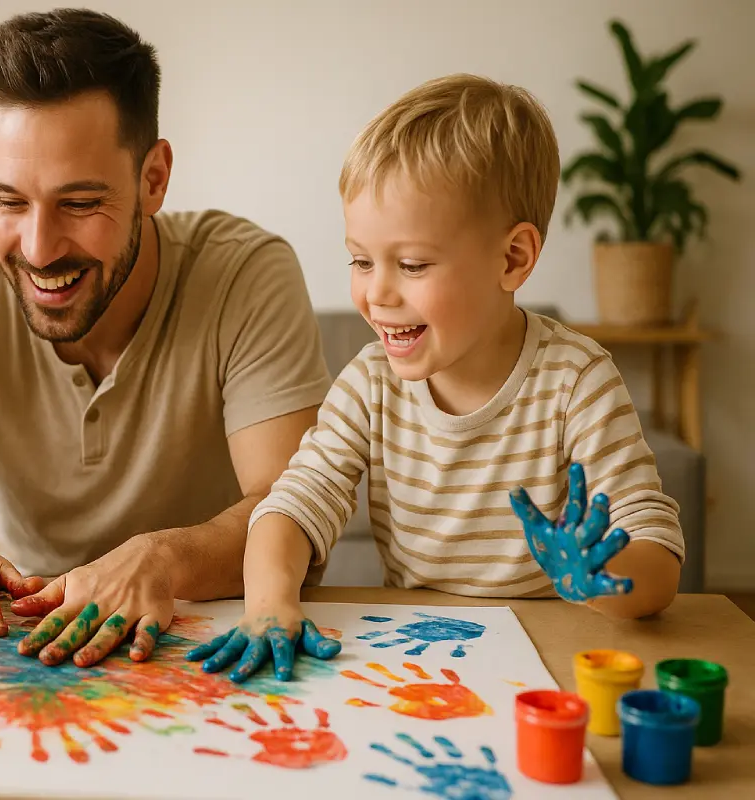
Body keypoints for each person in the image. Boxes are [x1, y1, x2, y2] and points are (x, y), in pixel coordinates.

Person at [0, 8, 336, 667]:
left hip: (205, 640)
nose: (39, 249)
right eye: (9, 202)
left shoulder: (246, 273)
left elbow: (296, 504)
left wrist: (162, 559)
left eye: (78, 203)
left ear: (153, 179)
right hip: (11, 645)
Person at [192, 74, 685, 683]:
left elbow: (657, 553)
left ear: (513, 259)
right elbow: (292, 506)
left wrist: (604, 577)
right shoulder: (371, 382)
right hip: (420, 663)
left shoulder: (576, 381)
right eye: (361, 260)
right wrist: (270, 604)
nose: (376, 293)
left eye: (413, 264)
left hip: (551, 664)